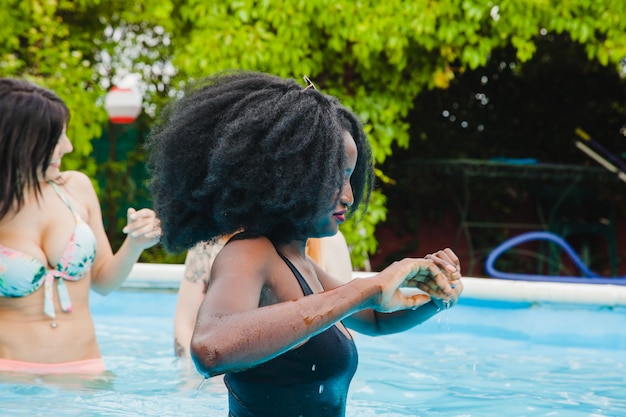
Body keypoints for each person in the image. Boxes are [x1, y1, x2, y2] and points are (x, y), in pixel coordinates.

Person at [147, 70, 463, 417]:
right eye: (334, 178)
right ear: (290, 177)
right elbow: (210, 348)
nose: (349, 196)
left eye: (349, 177)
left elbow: (374, 319)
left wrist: (435, 295)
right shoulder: (250, 252)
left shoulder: (299, 262)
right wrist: (366, 287)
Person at [0, 78, 161, 375]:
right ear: (20, 141)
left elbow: (102, 281)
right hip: (8, 377)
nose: (68, 146)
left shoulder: (76, 188)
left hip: (85, 372)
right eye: (56, 138)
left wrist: (136, 243)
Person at [173, 232, 353, 359]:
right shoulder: (207, 243)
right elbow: (184, 325)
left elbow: (344, 328)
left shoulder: (330, 242)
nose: (347, 197)